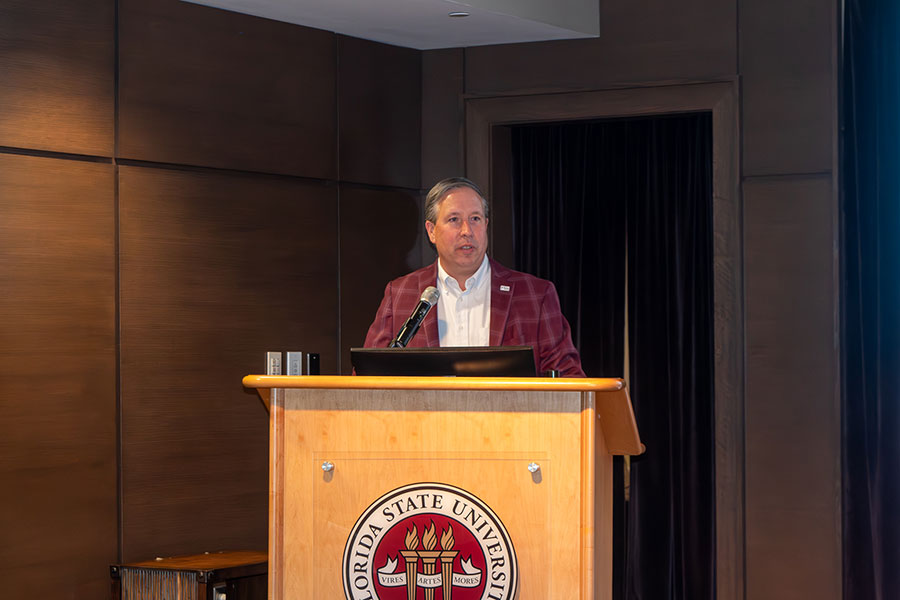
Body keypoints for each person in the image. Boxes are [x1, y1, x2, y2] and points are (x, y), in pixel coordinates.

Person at [364, 177, 585, 377]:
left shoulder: (535, 295)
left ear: (486, 225)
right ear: (431, 231)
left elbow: (568, 378)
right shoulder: (401, 293)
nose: (466, 230)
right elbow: (367, 375)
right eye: (454, 220)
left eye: (475, 218)